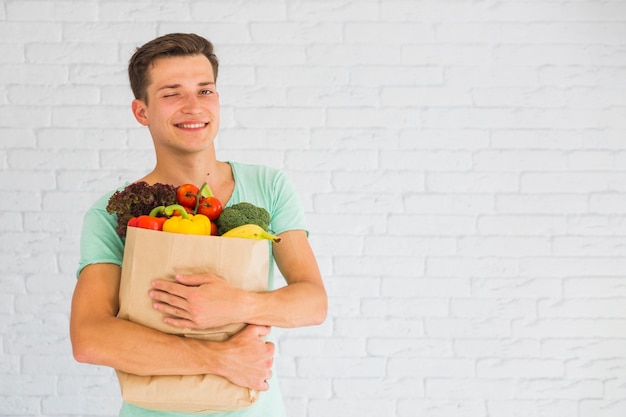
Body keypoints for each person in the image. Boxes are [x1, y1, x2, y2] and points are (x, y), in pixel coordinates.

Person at [70, 33, 328, 417]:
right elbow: (89, 338)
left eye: (205, 91)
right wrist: (220, 358)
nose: (194, 106)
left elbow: (313, 302)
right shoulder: (111, 213)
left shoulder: (268, 187)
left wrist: (234, 304)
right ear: (141, 112)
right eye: (172, 93)